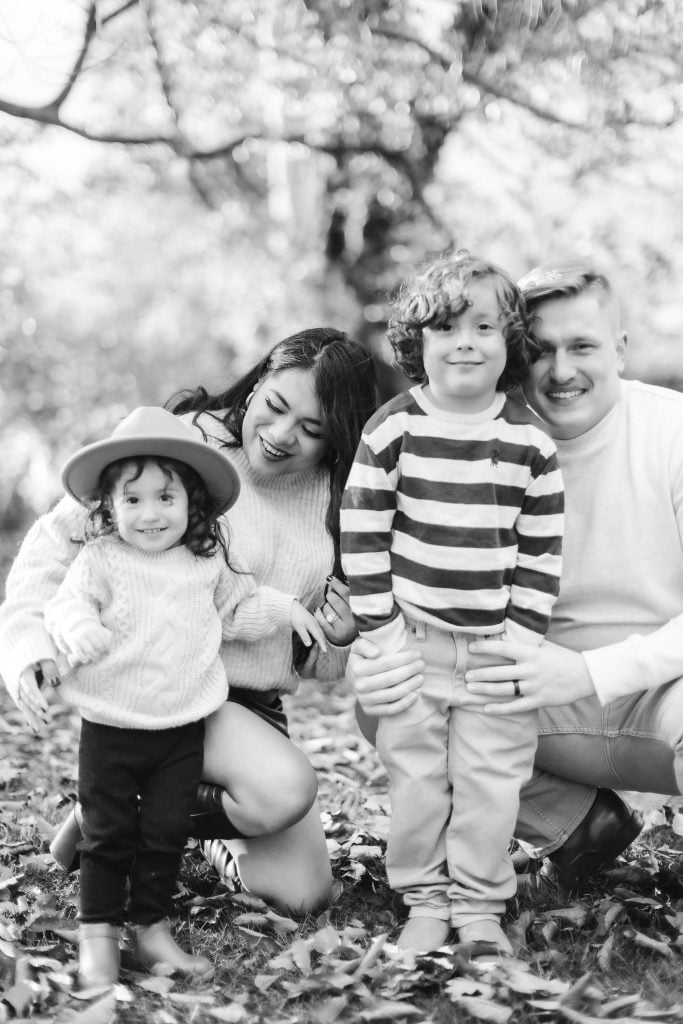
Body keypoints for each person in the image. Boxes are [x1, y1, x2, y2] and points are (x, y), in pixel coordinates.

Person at [0, 328, 377, 922]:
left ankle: (137, 803)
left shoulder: (340, 501)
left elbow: (319, 665)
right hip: (162, 683)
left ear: (337, 438)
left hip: (252, 713)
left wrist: (339, 635)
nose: (282, 436)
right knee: (284, 788)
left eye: (312, 429)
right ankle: (128, 801)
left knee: (303, 894)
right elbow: (53, 547)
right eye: (276, 407)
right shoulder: (186, 444)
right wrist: (28, 647)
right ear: (255, 385)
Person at [349, 257, 683, 892]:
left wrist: (588, 671)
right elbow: (392, 557)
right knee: (390, 699)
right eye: (542, 350)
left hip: (662, 699)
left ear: (620, 348)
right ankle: (579, 826)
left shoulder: (672, 431)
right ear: (515, 352)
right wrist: (376, 647)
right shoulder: (469, 438)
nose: (560, 371)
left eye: (582, 346)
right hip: (527, 700)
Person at [8, 406, 327, 988]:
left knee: (163, 833)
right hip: (112, 728)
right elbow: (64, 603)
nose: (150, 514)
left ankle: (150, 929)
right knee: (108, 836)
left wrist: (288, 609)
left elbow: (239, 610)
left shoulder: (205, 561)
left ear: (192, 502)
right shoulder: (101, 558)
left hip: (183, 725)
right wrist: (73, 629)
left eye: (165, 498)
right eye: (132, 501)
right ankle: (100, 938)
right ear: (109, 506)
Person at [340, 252, 564, 954]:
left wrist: (522, 640)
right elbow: (364, 533)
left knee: (490, 781)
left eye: (483, 327)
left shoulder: (529, 443)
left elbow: (539, 552)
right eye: (444, 328)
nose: (464, 341)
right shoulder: (392, 429)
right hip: (412, 642)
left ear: (509, 344)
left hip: (497, 649)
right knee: (416, 779)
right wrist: (380, 630)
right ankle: (424, 900)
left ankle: (476, 904)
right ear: (417, 344)